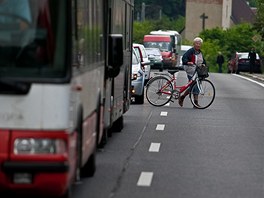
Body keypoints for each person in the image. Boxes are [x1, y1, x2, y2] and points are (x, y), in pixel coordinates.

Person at [178, 37, 206, 108]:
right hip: (190, 68)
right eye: (197, 43)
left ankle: (183, 97)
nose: (198, 45)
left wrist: (204, 64)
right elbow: (184, 57)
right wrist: (188, 62)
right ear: (194, 44)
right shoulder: (190, 51)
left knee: (195, 84)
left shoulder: (200, 52)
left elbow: (203, 60)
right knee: (194, 84)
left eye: (199, 44)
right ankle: (195, 102)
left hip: (197, 70)